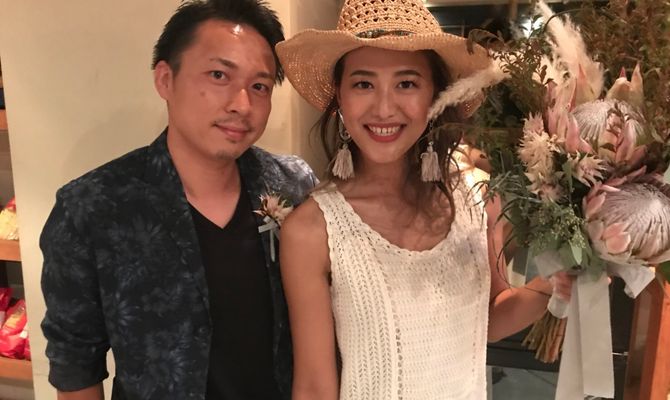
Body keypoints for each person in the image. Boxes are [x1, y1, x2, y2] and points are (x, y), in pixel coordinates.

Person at [276, 0, 571, 399]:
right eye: (363, 84)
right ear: (339, 99)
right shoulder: (312, 230)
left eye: (407, 83)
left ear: (436, 95)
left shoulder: (476, 196)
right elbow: (314, 385)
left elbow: (487, 318)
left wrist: (553, 284)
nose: (384, 108)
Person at [40, 1, 316, 399]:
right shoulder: (93, 207)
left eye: (260, 86)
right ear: (165, 79)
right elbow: (75, 363)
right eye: (219, 75)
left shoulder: (295, 186)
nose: (242, 104)